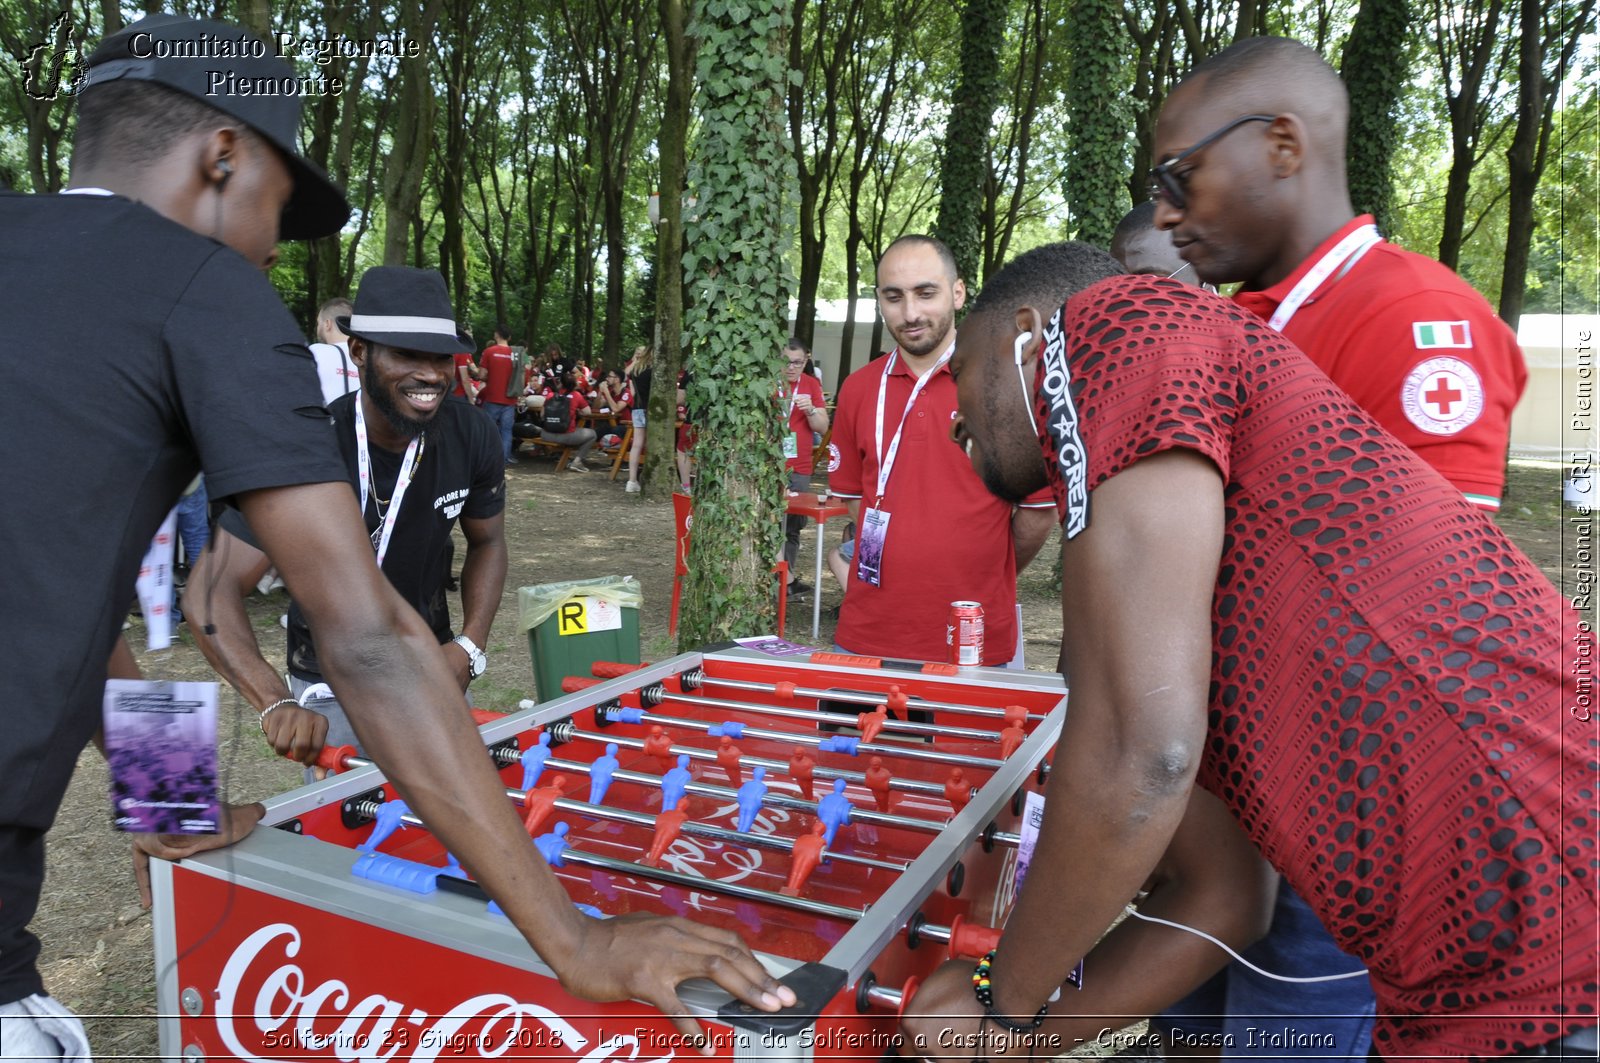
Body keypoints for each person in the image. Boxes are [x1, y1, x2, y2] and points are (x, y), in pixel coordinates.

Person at [0, 15, 794, 1055]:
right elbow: (366, 638)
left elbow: (63, 579)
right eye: (278, 208)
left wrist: (168, 802)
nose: (274, 247)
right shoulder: (204, 290)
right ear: (222, 155)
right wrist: (578, 939)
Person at [898, 240, 1597, 1062]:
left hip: (1558, 943)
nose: (953, 418)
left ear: (1025, 337)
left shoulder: (1119, 318)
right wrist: (1007, 1027)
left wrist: (1001, 1007)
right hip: (1462, 987)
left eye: (963, 371)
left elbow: (1143, 756)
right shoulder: (1149, 543)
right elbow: (1225, 895)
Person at [1108, 201, 1378, 1060]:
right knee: (1185, 1012)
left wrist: (1007, 1007)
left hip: (1322, 794)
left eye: (1173, 295)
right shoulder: (1137, 430)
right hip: (1219, 781)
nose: (1152, 322)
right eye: (1131, 299)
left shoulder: (1283, 399)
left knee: (1283, 1026)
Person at [1153, 36, 1526, 513]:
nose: (1163, 214)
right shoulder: (1241, 320)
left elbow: (1440, 573)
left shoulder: (1414, 314)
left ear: (1283, 147)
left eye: (1179, 175)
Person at [184, 267, 506, 764]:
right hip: (327, 675)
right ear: (359, 352)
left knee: (451, 825)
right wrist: (275, 701)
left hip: (433, 663)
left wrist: (470, 645)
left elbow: (488, 542)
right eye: (406, 354)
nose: (430, 374)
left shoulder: (473, 434)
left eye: (441, 357)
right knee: (352, 831)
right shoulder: (305, 447)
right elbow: (211, 592)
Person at [827, 235, 1054, 666]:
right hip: (865, 635)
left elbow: (1038, 512)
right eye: (894, 297)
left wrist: (987, 571)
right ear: (879, 300)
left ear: (958, 291)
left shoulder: (1009, 387)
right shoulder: (858, 389)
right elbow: (859, 502)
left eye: (925, 293)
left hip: (973, 639)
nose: (910, 313)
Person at [780, 337, 830, 597]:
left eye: (797, 363)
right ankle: (774, 581)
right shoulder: (769, 385)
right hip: (771, 466)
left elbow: (822, 427)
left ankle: (787, 584)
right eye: (786, 362)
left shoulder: (811, 385)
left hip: (798, 466)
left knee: (792, 527)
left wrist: (810, 410)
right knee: (769, 523)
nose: (791, 368)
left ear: (806, 360)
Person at [535, 369, 599, 471]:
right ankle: (577, 462)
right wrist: (577, 411)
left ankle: (557, 455)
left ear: (560, 383)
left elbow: (542, 414)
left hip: (546, 434)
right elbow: (588, 412)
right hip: (565, 436)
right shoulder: (576, 395)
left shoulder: (550, 395)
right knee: (592, 434)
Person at [479, 325, 522, 464]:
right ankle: (503, 460)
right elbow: (522, 375)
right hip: (510, 399)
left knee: (489, 430)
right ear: (509, 337)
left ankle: (487, 459)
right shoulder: (516, 354)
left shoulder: (489, 351)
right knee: (506, 431)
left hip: (492, 397)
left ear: (496, 335)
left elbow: (482, 374)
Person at [308, 296, 360, 403]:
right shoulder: (368, 357)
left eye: (319, 323)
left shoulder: (315, 353)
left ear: (327, 324)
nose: (318, 328)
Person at [624, 345, 653, 492]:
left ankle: (632, 480)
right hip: (651, 409)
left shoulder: (636, 371)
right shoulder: (652, 371)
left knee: (637, 444)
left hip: (637, 409)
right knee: (650, 443)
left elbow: (633, 393)